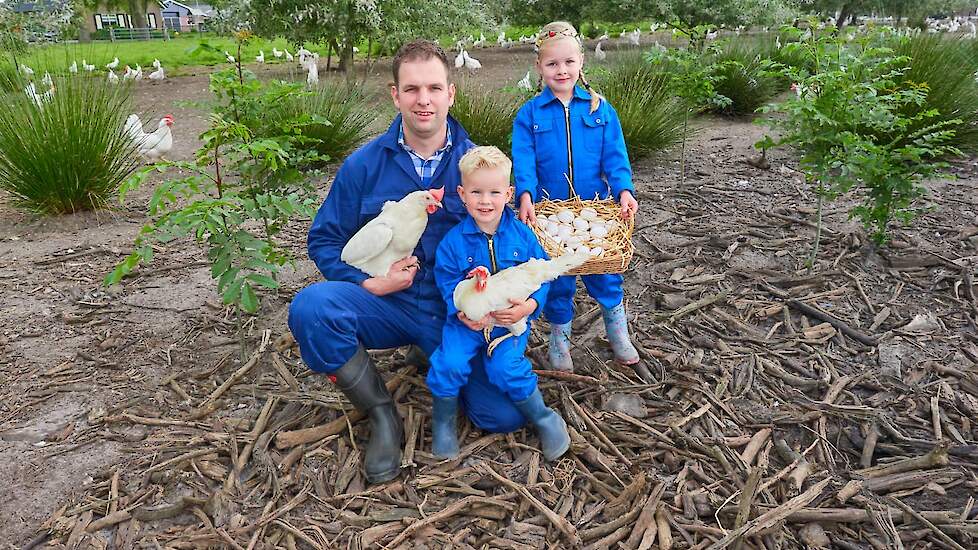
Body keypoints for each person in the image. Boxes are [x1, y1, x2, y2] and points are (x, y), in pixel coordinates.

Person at [288, 41, 528, 485]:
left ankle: (428, 348)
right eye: (412, 88)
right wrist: (366, 284)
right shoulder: (363, 166)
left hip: (454, 314)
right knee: (312, 309)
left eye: (434, 88)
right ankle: (381, 414)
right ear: (395, 94)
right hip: (386, 303)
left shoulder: (477, 166)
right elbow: (323, 240)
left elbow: (513, 247)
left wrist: (519, 302)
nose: (424, 100)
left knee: (505, 414)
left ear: (451, 94)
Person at [426, 146, 570, 462]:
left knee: (506, 367)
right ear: (462, 194)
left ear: (508, 193)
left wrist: (529, 307)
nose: (485, 201)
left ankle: (543, 417)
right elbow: (447, 282)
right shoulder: (453, 242)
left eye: (494, 192)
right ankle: (444, 423)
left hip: (508, 321)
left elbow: (541, 276)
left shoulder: (523, 237)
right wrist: (461, 312)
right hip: (466, 323)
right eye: (476, 192)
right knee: (448, 363)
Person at [512, 21, 641, 373]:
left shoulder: (600, 109)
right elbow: (523, 160)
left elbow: (616, 157)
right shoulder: (530, 115)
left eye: (569, 62)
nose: (562, 70)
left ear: (581, 61)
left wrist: (624, 190)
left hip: (596, 211)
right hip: (550, 214)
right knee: (557, 278)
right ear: (539, 67)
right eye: (552, 64)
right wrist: (525, 194)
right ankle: (560, 339)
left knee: (605, 272)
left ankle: (617, 328)